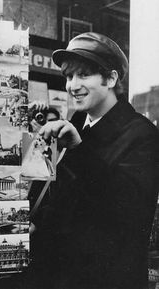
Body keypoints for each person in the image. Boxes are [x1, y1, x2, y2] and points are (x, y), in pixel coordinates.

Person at [26, 32, 159, 289]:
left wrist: (79, 148)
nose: (72, 85)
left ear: (111, 78)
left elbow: (126, 212)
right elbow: (58, 196)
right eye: (68, 76)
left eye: (84, 75)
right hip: (58, 274)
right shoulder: (76, 122)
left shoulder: (143, 135)